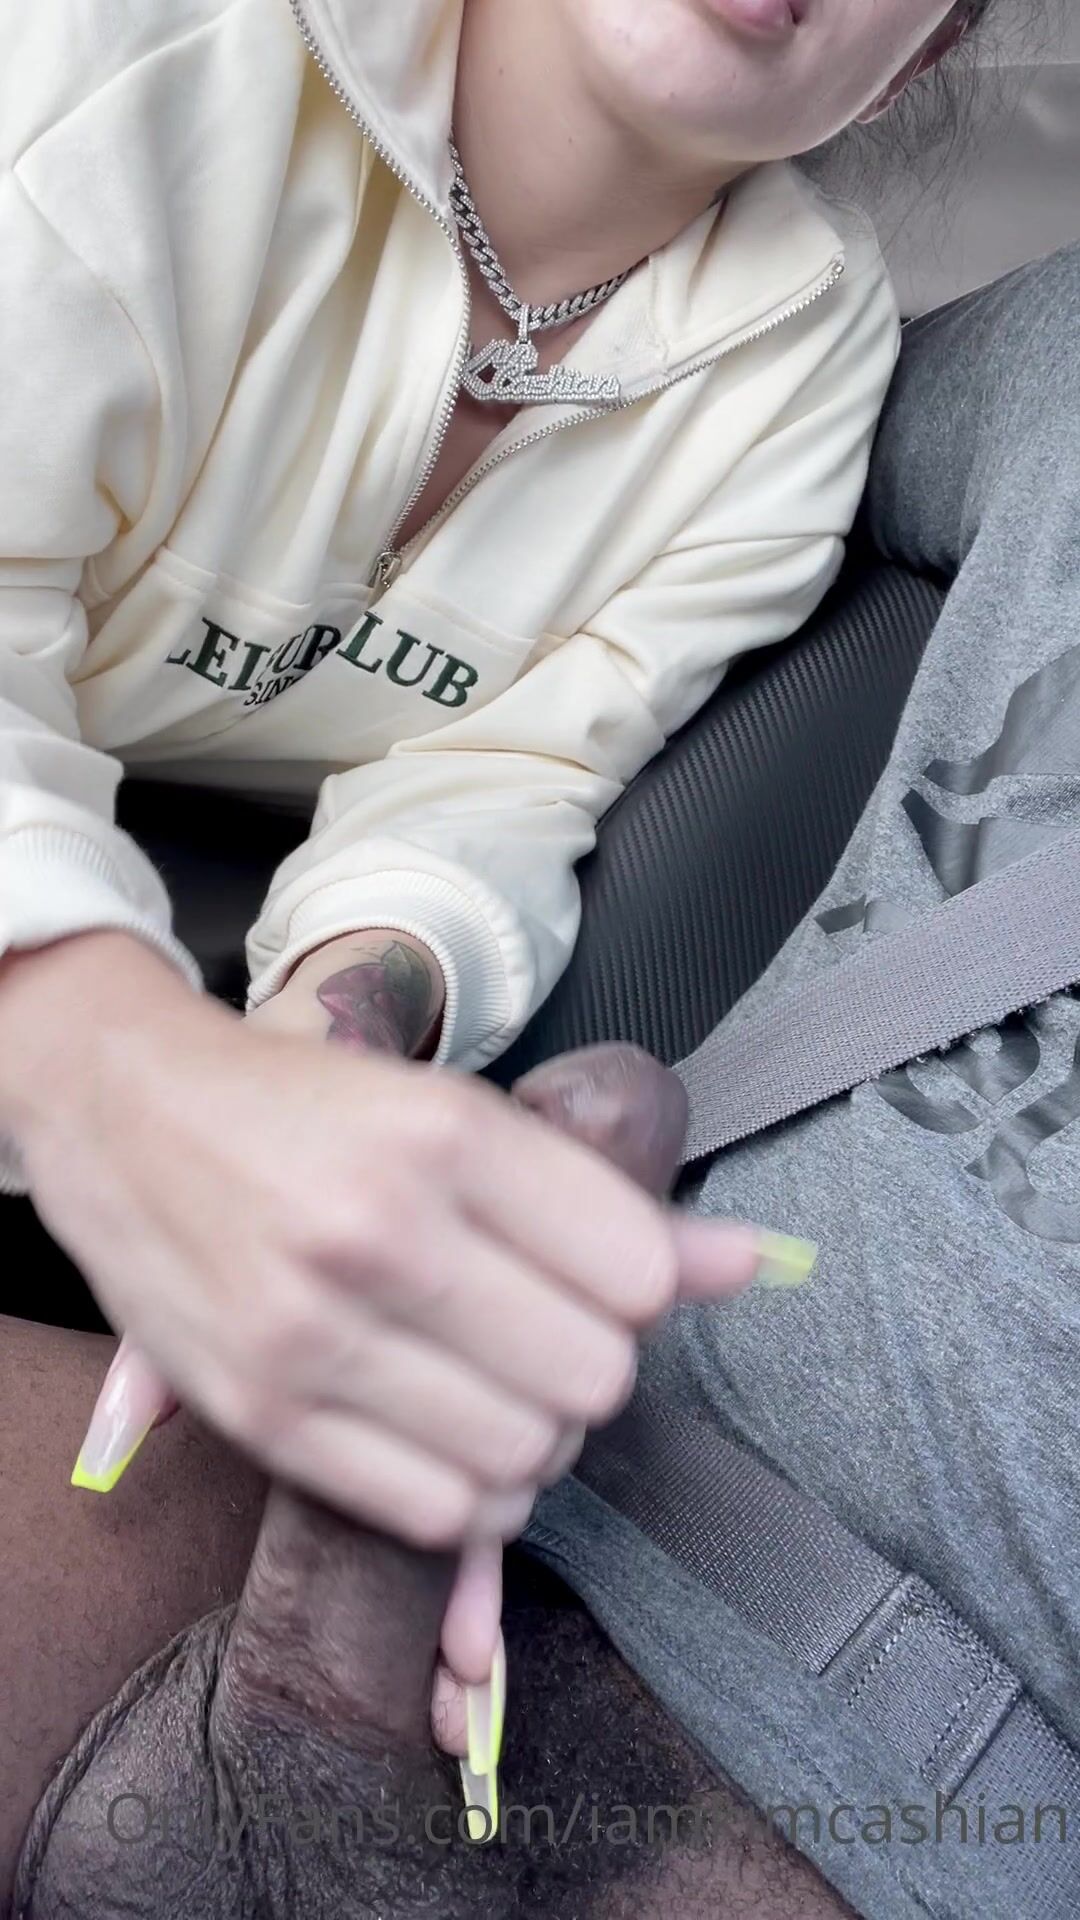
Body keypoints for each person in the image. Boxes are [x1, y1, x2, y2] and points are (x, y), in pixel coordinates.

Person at [0, 0, 992, 1777]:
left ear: (912, 60)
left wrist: (324, 1064)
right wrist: (114, 1073)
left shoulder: (808, 353)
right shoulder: (129, 54)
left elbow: (498, 787)